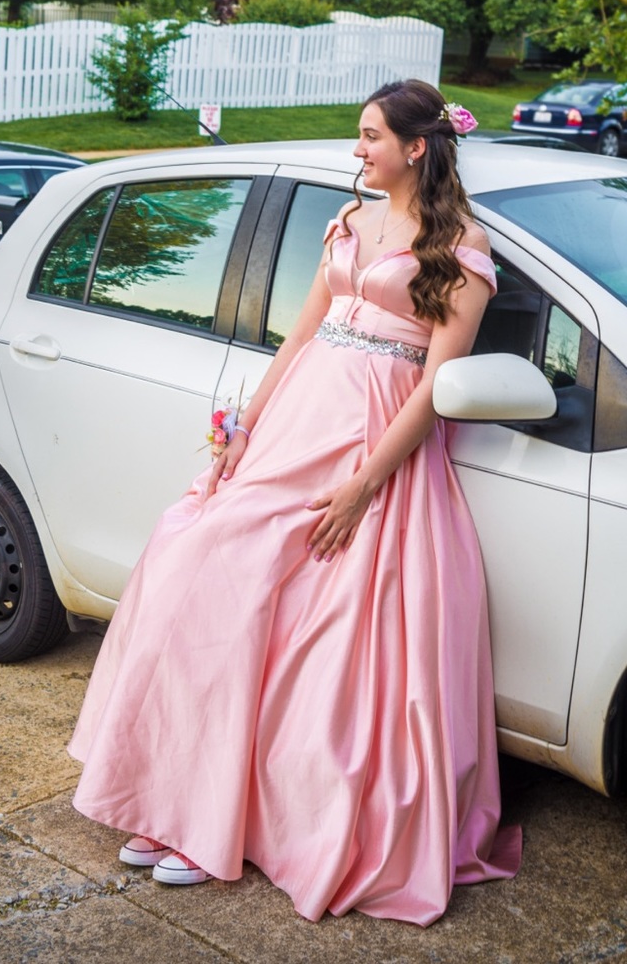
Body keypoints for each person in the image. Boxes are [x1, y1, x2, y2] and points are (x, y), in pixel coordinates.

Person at [68, 78, 522, 926]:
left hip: (370, 441)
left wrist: (362, 487)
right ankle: (177, 806)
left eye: (370, 136)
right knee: (198, 563)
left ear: (415, 147)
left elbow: (437, 388)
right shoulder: (348, 224)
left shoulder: (460, 247)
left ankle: (220, 827)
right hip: (295, 427)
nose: (358, 150)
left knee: (300, 625)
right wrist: (245, 425)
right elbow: (302, 336)